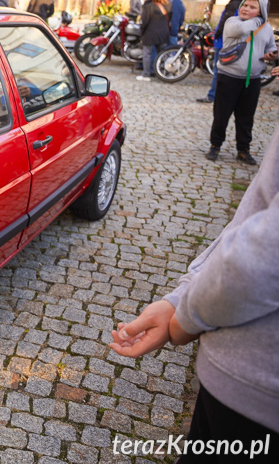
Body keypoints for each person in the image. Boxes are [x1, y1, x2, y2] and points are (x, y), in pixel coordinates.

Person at [110, 114, 279, 462]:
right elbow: (253, 216)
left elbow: (261, 255)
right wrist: (178, 300)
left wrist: (185, 319)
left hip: (253, 396)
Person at [205, 0, 277, 165]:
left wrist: (271, 54)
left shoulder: (266, 28)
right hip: (229, 77)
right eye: (245, 5)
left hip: (252, 79)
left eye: (253, 7)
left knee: (246, 116)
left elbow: (271, 47)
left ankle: (243, 150)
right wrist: (259, 19)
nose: (246, 9)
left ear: (262, 11)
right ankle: (215, 145)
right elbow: (240, 31)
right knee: (222, 114)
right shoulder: (233, 21)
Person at [197, 0, 248, 103]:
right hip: (232, 43)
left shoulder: (235, 4)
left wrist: (216, 35)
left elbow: (227, 22)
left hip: (224, 43)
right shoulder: (243, 3)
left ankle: (213, 95)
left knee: (219, 70)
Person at [136, 0, 169, 81]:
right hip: (163, 33)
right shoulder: (167, 6)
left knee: (147, 54)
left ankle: (146, 74)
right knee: (162, 54)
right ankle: (163, 73)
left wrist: (141, 31)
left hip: (150, 33)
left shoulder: (149, 6)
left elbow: (145, 21)